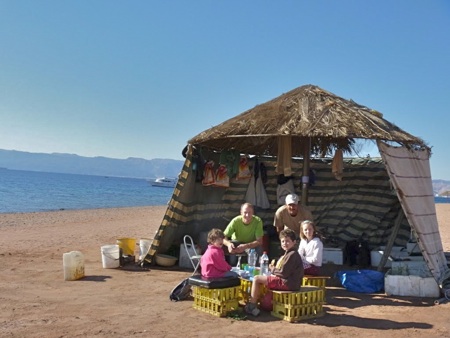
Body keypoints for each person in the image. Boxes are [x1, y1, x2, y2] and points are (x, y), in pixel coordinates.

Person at [244, 228, 304, 316]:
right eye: (283, 241)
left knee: (257, 279)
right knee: (262, 281)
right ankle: (259, 303)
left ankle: (252, 306)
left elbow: (283, 273)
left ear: (294, 242)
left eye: (287, 241)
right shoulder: (288, 254)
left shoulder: (292, 254)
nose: (285, 243)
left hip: (288, 283)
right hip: (290, 282)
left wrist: (272, 269)